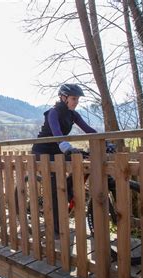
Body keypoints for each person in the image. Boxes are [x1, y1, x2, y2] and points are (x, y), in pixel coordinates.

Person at [32, 84, 97, 238]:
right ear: (64, 98)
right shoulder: (53, 112)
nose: (76, 102)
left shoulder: (73, 114)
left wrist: (104, 141)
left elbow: (89, 130)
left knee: (83, 157)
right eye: (74, 98)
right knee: (55, 188)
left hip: (58, 150)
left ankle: (67, 189)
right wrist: (66, 146)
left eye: (78, 99)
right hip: (43, 151)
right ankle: (56, 230)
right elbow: (57, 133)